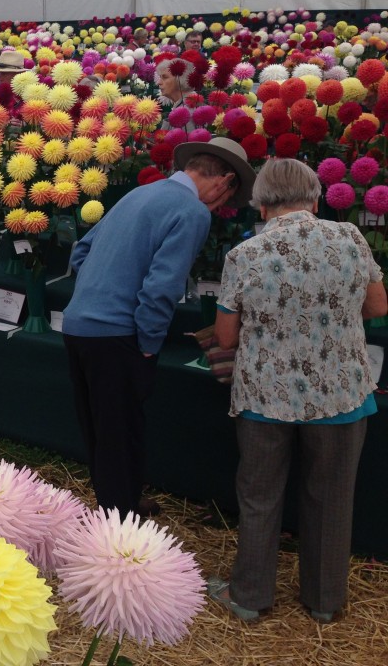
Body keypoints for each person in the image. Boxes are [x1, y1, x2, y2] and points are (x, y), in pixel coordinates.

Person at [207, 158, 387, 624]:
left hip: (265, 397)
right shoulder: (350, 239)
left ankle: (249, 596)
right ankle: (325, 603)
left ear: (262, 206)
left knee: (260, 496)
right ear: (315, 198)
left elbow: (226, 338)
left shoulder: (244, 256)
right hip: (342, 396)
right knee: (332, 498)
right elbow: (378, 306)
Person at [62, 138, 255, 518]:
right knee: (121, 433)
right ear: (223, 181)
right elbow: (161, 286)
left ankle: (119, 504)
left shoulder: (140, 194)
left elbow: (80, 251)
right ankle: (119, 528)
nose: (219, 209)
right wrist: (149, 343)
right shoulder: (192, 211)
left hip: (79, 324)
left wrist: (103, 287)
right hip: (118, 334)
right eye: (225, 200)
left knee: (100, 430)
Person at [156, 56, 197, 132]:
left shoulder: (186, 112)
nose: (159, 82)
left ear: (181, 79)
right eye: (160, 77)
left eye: (165, 77)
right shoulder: (184, 104)